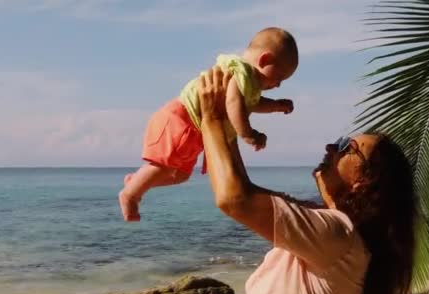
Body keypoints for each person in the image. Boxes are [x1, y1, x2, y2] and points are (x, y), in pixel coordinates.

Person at [196, 67, 419, 294]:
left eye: (348, 147)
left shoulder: (337, 235)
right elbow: (245, 189)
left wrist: (210, 118)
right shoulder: (336, 234)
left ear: (363, 181)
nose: (331, 147)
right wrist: (229, 125)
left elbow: (235, 199)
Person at [119, 27, 299, 221]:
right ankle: (130, 195)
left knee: (180, 175)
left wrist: (276, 106)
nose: (278, 84)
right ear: (264, 60)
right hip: (181, 121)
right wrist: (247, 133)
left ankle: (138, 182)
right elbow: (233, 103)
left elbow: (253, 103)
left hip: (195, 131)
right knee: (164, 168)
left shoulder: (249, 85)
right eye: (279, 77)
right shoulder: (241, 73)